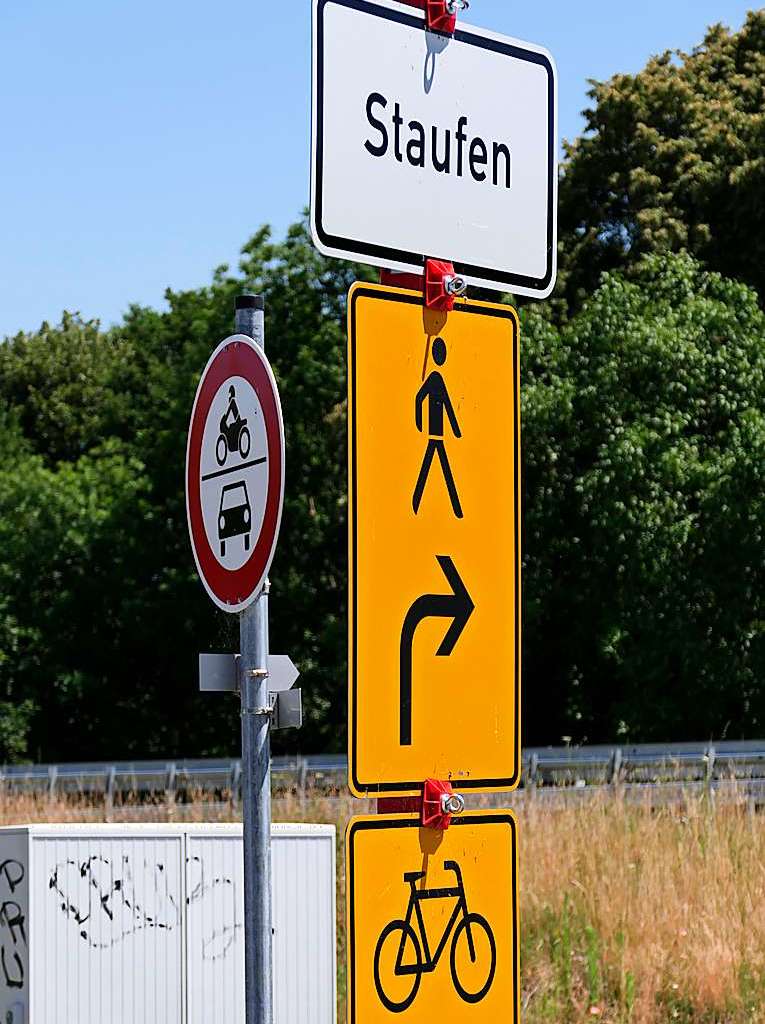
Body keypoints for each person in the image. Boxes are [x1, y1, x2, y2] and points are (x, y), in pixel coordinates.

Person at [412, 337, 463, 519]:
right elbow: (419, 398)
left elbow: (448, 405)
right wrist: (419, 424)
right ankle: (416, 503)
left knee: (440, 467)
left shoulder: (438, 379)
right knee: (433, 466)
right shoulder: (434, 378)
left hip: (439, 434)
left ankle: (455, 508)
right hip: (433, 433)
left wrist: (456, 430)